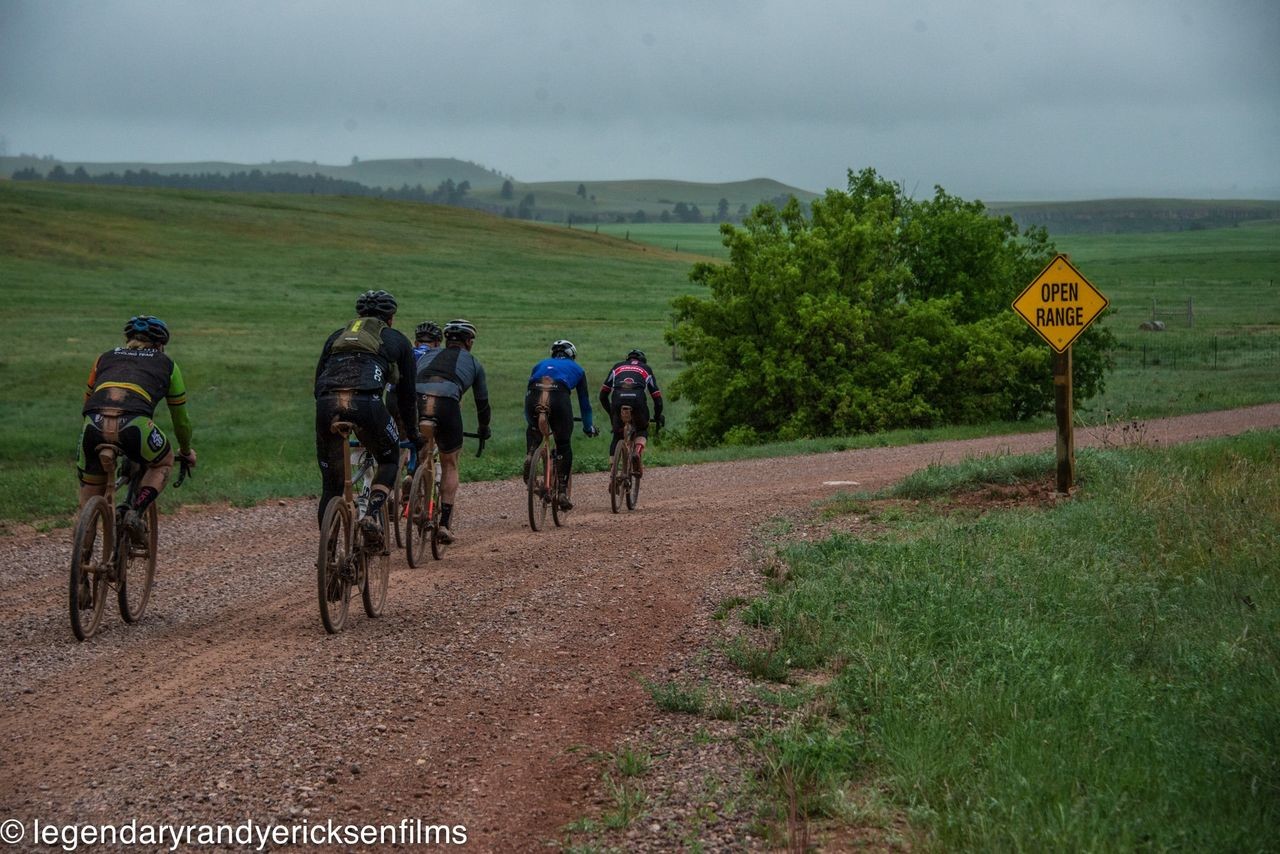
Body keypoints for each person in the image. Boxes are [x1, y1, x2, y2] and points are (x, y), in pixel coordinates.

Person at [314, 289, 421, 546]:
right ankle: (372, 516)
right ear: (391, 317)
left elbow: (317, 385)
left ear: (358, 315)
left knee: (331, 486)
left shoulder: (336, 337)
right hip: (367, 403)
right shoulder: (397, 339)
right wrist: (414, 434)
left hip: (327, 405)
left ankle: (329, 553)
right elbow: (406, 396)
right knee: (389, 458)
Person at [78, 315, 197, 537]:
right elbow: (181, 419)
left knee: (88, 502)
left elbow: (88, 401)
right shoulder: (168, 365)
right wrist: (186, 450)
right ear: (160, 345)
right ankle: (136, 511)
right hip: (134, 426)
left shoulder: (103, 358)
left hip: (92, 426)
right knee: (164, 460)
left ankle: (82, 553)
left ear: (128, 340)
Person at [415, 319, 491, 544]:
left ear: (446, 340)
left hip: (418, 399)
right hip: (447, 403)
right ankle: (445, 524)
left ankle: (417, 498)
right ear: (469, 342)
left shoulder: (428, 355)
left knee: (423, 452)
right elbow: (482, 403)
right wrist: (483, 428)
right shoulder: (474, 364)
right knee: (449, 462)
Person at [524, 339, 598, 511]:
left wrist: (531, 422)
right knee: (563, 444)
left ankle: (530, 453)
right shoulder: (578, 369)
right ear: (572, 355)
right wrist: (588, 427)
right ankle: (562, 491)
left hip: (533, 395)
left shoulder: (539, 364)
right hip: (559, 396)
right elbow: (584, 403)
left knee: (533, 430)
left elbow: (528, 390)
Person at [599, 348, 664, 476]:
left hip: (618, 400)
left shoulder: (617, 367)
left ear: (627, 359)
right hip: (638, 401)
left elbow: (603, 396)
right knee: (642, 430)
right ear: (642, 361)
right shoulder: (646, 369)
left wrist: (612, 414)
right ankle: (637, 452)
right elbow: (657, 399)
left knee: (617, 435)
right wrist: (657, 416)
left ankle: (613, 470)